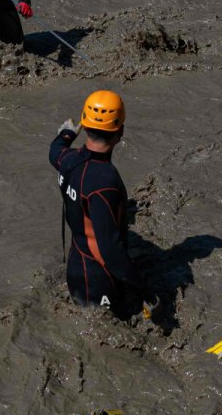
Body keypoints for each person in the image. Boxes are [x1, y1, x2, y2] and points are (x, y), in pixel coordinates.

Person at [50, 90, 152, 310]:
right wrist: (144, 289)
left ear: (84, 126)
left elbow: (54, 151)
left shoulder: (68, 161)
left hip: (77, 267)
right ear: (120, 132)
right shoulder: (105, 182)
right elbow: (110, 250)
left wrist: (66, 134)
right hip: (100, 281)